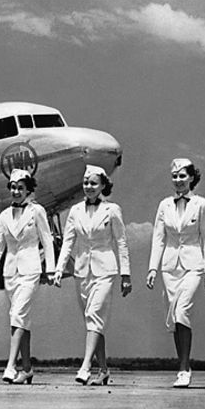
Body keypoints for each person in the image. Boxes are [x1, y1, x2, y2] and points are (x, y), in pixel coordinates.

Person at [53, 165, 131, 386]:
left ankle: (85, 366)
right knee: (91, 319)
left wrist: (126, 274)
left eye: (93, 183)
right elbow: (68, 242)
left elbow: (121, 242)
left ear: (103, 186)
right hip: (81, 270)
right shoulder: (75, 211)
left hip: (105, 269)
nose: (89, 187)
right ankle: (104, 370)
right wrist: (59, 269)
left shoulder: (112, 210)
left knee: (95, 314)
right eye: (86, 183)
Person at [146, 158, 205, 388]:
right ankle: (181, 365)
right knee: (174, 317)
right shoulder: (164, 205)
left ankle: (185, 368)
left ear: (192, 178)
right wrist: (153, 269)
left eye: (182, 176)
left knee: (183, 309)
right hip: (169, 266)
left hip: (194, 265)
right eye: (174, 177)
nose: (178, 181)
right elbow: (158, 238)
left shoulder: (202, 204)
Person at [0, 169, 55, 385]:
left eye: (20, 188)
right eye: (13, 187)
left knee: (16, 314)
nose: (16, 191)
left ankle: (10, 366)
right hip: (10, 272)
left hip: (31, 269)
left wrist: (51, 269)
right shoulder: (4, 215)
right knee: (21, 318)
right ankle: (27, 369)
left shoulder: (37, 211)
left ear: (28, 190)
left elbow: (47, 240)